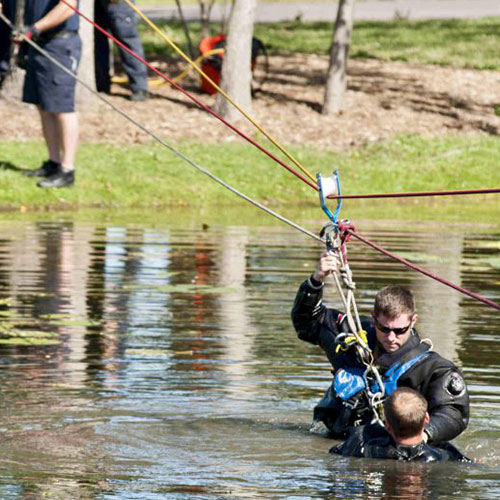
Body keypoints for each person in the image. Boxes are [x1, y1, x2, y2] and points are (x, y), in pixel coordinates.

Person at [291, 251, 469, 444]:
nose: (391, 337)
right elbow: (307, 323)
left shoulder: (433, 369)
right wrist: (316, 280)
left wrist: (423, 436)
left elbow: (454, 412)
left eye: (400, 330)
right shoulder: (350, 338)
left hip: (395, 449)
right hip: (335, 444)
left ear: (413, 321)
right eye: (384, 329)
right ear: (373, 318)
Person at [3, 0, 81, 188]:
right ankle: (53, 163)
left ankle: (67, 170)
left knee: (62, 108)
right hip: (37, 44)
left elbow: (68, 7)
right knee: (44, 106)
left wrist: (34, 29)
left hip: (59, 44)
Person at [330, 387, 472, 462]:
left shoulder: (363, 448)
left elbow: (335, 451)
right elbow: (468, 463)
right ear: (427, 419)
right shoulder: (443, 454)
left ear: (387, 425)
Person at [94, 0, 148, 101]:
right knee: (97, 41)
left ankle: (139, 87)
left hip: (118, 3)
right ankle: (101, 84)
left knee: (127, 39)